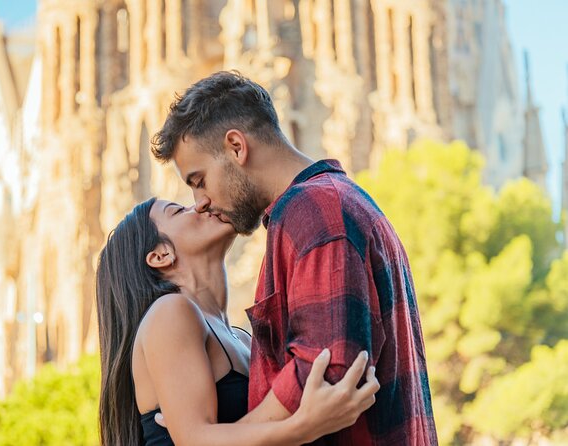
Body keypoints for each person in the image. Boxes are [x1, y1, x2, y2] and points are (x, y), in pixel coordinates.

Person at [151, 71, 438, 445]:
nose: (200, 203)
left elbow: (327, 368)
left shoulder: (314, 210)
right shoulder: (332, 202)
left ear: (237, 146)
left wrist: (211, 438)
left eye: (199, 179)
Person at [96, 197, 380, 446]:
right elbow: (195, 440)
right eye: (178, 211)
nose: (199, 204)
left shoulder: (242, 339)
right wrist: (303, 427)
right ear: (160, 255)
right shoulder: (170, 313)